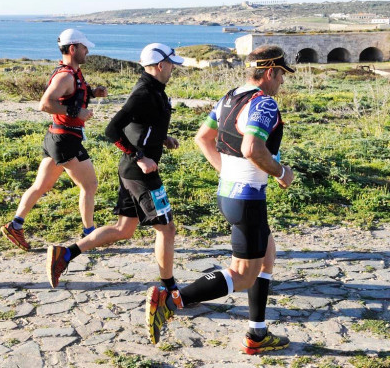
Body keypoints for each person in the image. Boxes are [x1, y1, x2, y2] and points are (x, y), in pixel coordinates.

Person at [146, 45, 295, 355]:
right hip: (247, 199)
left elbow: (203, 137)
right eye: (281, 74)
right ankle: (174, 300)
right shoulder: (263, 103)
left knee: (267, 254)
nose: (282, 80)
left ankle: (257, 332)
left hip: (230, 193)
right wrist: (281, 171)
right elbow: (253, 148)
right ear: (270, 72)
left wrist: (228, 172)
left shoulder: (230, 97)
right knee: (242, 274)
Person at [46, 43, 184, 292]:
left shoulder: (156, 91)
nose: (174, 68)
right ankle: (168, 289)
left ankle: (65, 254)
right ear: (160, 65)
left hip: (133, 169)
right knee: (167, 228)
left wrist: (163, 138)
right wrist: (139, 156)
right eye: (172, 64)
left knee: (124, 229)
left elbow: (142, 124)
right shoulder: (144, 92)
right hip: (139, 172)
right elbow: (113, 129)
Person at [1, 29, 107, 251]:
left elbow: (73, 94)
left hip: (56, 137)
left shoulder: (72, 73)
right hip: (66, 139)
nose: (87, 51)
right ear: (72, 49)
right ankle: (90, 235)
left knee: (40, 186)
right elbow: (45, 104)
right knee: (90, 185)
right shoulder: (65, 76)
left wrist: (93, 92)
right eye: (84, 47)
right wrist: (75, 113)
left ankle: (15, 225)